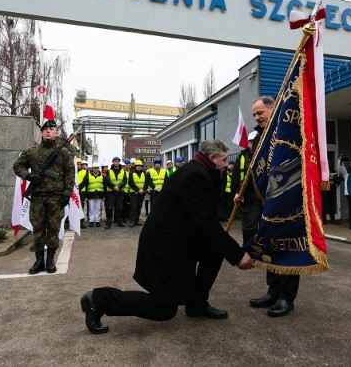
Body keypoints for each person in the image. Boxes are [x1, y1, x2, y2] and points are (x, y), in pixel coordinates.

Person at [80, 139, 254, 334]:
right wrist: (238, 255)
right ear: (212, 158)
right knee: (163, 309)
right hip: (164, 248)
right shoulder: (194, 176)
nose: (225, 164)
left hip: (182, 240)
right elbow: (206, 222)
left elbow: (205, 218)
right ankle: (97, 300)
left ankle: (196, 303)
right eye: (223, 160)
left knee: (213, 252)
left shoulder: (204, 171)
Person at [240, 96, 300, 317]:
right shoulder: (258, 136)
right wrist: (242, 192)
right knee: (271, 245)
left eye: (259, 113)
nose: (256, 117)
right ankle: (273, 291)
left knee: (288, 246)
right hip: (265, 200)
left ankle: (287, 297)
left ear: (273, 109)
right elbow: (253, 171)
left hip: (287, 198)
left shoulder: (288, 130)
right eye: (254, 114)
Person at [13, 120, 75, 274]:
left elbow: (69, 174)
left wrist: (67, 195)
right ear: (41, 133)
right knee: (38, 229)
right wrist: (29, 176)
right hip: (38, 197)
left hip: (56, 198)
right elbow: (17, 166)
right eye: (45, 129)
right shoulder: (31, 151)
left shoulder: (63, 152)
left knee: (53, 229)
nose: (48, 131)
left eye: (51, 129)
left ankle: (50, 260)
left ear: (56, 133)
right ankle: (39, 260)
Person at [231, 130, 259, 244]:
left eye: (255, 142)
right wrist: (237, 192)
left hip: (259, 195)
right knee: (248, 225)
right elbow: (236, 176)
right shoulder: (242, 157)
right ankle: (249, 250)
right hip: (246, 196)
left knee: (257, 225)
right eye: (251, 142)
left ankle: (257, 251)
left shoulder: (262, 154)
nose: (252, 144)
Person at [104, 157, 126, 229]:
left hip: (119, 192)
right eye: (115, 161)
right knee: (110, 208)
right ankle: (109, 222)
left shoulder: (123, 171)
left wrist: (118, 187)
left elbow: (124, 181)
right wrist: (114, 186)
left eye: (118, 161)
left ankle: (120, 222)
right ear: (113, 162)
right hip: (111, 192)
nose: (117, 162)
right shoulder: (108, 171)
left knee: (119, 208)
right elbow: (107, 181)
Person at [80, 163, 104, 227]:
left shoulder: (102, 176)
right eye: (95, 168)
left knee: (98, 208)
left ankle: (97, 221)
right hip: (90, 194)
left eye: (97, 168)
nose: (96, 169)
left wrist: (103, 194)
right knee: (91, 208)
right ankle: (91, 221)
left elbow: (104, 185)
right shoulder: (88, 175)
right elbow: (85, 184)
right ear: (92, 169)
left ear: (98, 169)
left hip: (99, 194)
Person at [128, 160, 150, 227]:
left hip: (141, 193)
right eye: (137, 166)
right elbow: (130, 183)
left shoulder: (144, 174)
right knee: (133, 207)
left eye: (140, 166)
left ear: (141, 167)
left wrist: (143, 189)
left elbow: (146, 183)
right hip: (134, 193)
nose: (138, 167)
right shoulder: (132, 173)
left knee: (139, 208)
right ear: (135, 167)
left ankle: (137, 221)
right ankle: (132, 221)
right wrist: (138, 189)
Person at [77, 159, 88, 229]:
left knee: (80, 208)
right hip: (71, 192)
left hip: (81, 192)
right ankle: (68, 222)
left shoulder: (84, 172)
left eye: (79, 164)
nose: (78, 165)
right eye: (77, 164)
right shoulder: (71, 171)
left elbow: (85, 182)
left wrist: (77, 188)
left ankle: (81, 222)